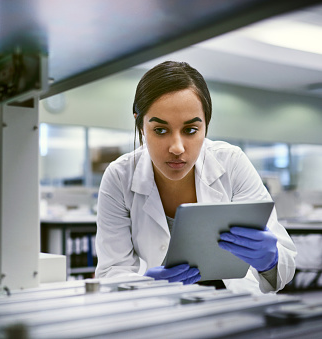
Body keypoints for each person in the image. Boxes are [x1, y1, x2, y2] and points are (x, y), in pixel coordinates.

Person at [95, 61, 296, 294]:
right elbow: (110, 272)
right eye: (160, 130)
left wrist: (270, 261)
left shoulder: (231, 163)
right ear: (141, 125)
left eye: (190, 130)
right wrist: (144, 284)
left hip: (235, 306)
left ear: (206, 127)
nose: (177, 148)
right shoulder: (119, 177)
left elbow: (283, 267)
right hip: (158, 312)